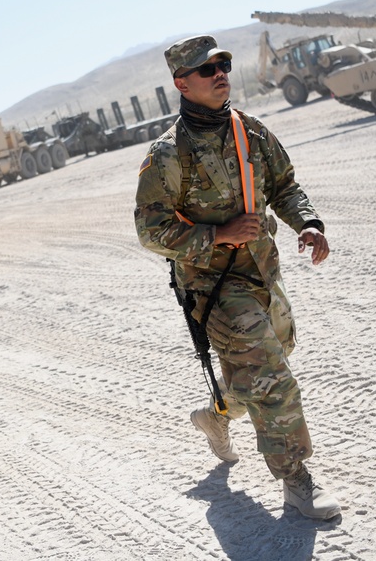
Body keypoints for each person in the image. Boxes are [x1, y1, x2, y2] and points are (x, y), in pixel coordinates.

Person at [134, 35, 341, 520]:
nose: (220, 73)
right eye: (207, 70)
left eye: (223, 64)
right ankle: (296, 480)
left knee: (275, 354)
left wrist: (308, 223)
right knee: (272, 377)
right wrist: (217, 235)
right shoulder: (167, 154)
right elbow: (151, 230)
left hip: (263, 273)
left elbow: (284, 185)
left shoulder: (251, 131)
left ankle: (215, 415)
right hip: (214, 286)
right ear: (182, 84)